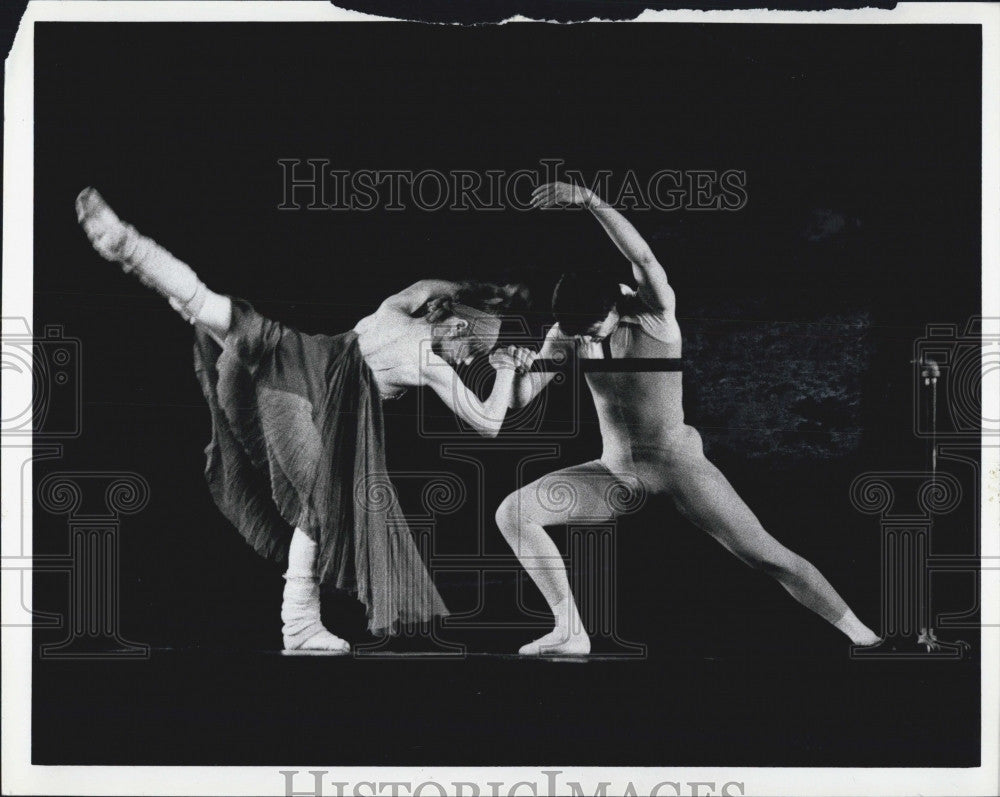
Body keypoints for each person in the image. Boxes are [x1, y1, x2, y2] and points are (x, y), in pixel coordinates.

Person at [76, 187, 531, 654]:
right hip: (307, 399)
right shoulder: (427, 361)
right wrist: (505, 372)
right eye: (471, 352)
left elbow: (430, 289)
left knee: (214, 308)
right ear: (456, 328)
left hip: (296, 353)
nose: (465, 362)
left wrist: (474, 292)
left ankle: (128, 245)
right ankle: (298, 624)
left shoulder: (395, 307)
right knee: (322, 502)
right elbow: (488, 423)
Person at [496, 181, 881, 656]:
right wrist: (513, 373)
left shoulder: (656, 312)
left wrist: (589, 201)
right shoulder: (568, 330)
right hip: (617, 473)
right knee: (514, 512)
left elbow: (644, 260)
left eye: (593, 328)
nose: (584, 339)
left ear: (615, 305)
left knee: (765, 555)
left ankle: (866, 637)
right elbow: (521, 399)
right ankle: (571, 632)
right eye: (577, 332)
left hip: (678, 465)